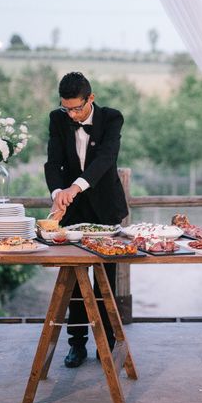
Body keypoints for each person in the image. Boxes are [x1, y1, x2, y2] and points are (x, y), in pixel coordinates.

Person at [44, 72, 128, 368]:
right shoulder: (58, 119)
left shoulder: (112, 118)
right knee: (75, 280)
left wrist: (75, 187)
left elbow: (105, 160)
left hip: (106, 208)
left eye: (77, 108)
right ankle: (76, 344)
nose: (72, 114)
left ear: (90, 98)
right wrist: (57, 192)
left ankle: (108, 343)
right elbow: (53, 162)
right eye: (66, 108)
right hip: (73, 212)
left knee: (106, 279)